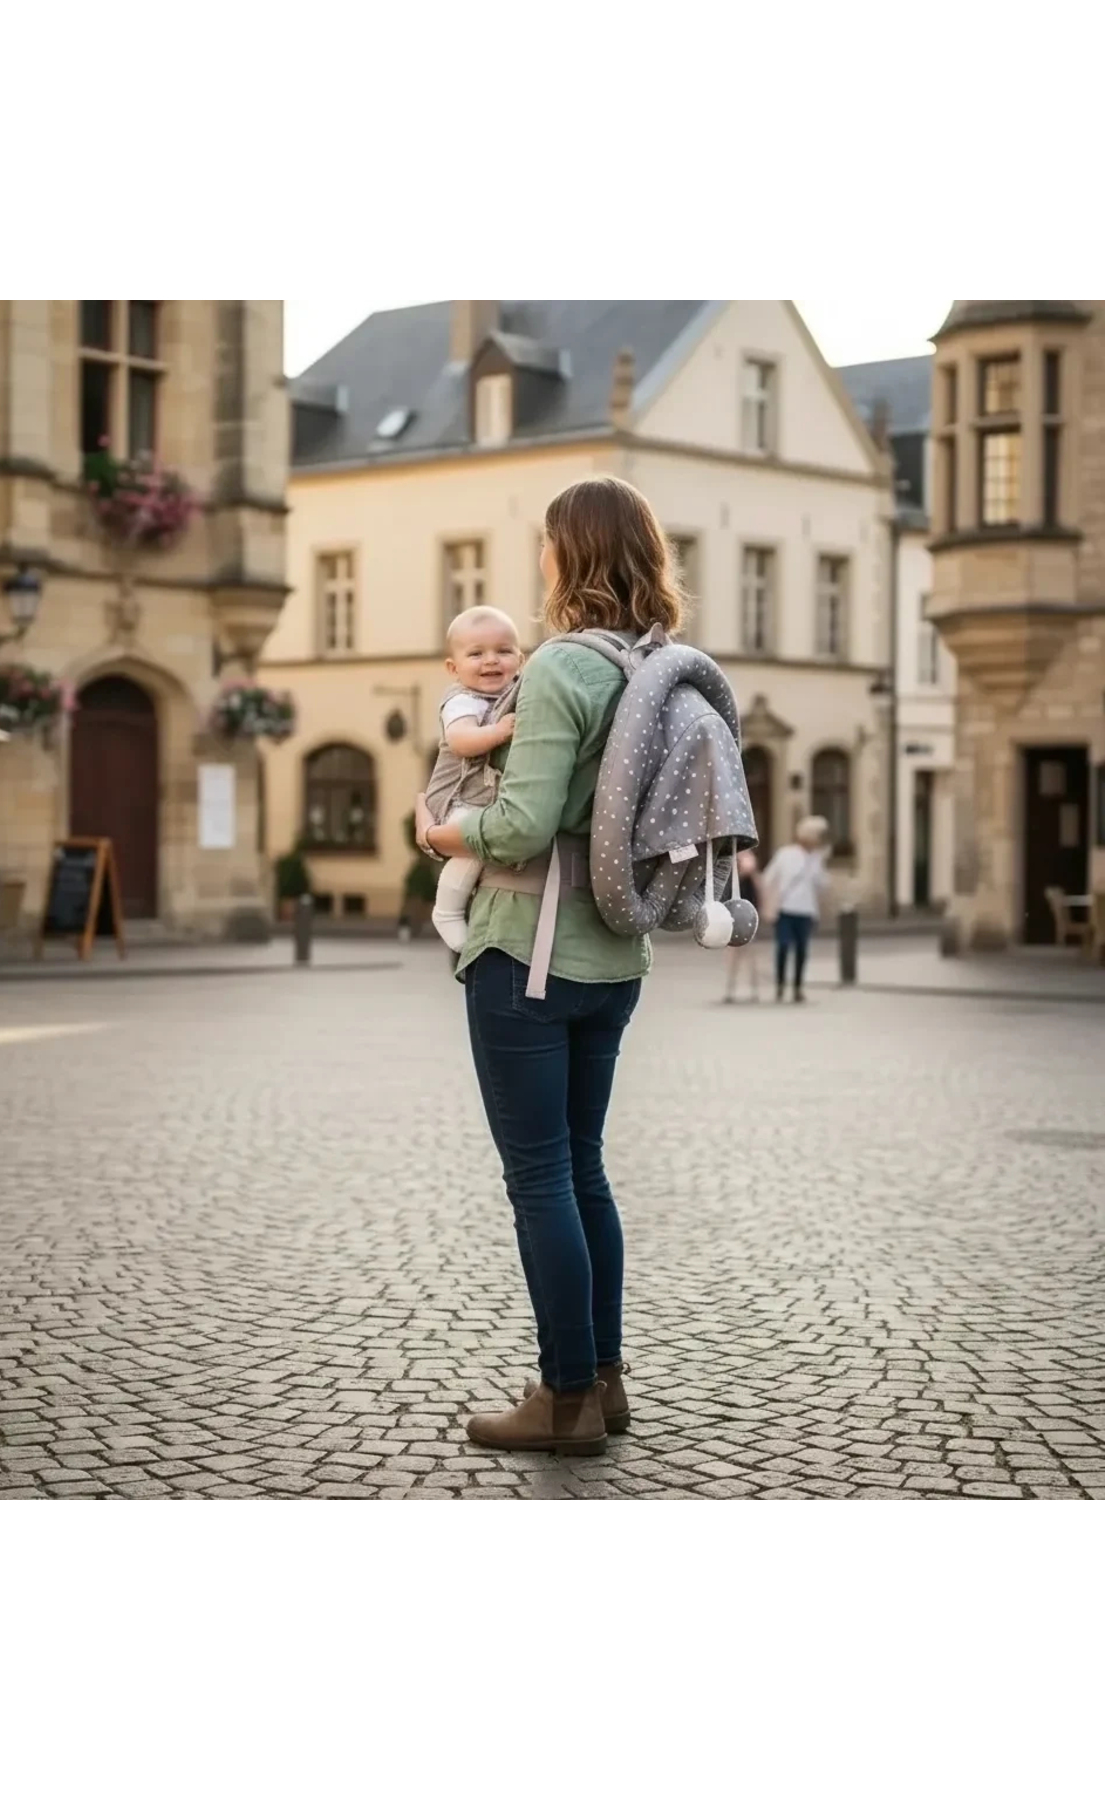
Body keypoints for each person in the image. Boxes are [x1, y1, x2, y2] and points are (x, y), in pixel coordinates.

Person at [415, 475, 683, 1456]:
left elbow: (523, 822)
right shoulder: (655, 662)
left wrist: (444, 834)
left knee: (540, 1178)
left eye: (546, 542)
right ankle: (604, 1380)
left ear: (569, 553)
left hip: (528, 952)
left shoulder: (564, 665)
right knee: (583, 1167)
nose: (540, 557)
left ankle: (564, 1398)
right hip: (616, 954)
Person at [424, 607, 521, 951]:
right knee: (473, 845)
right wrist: (499, 732)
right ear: (453, 668)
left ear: (520, 660)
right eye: (477, 654)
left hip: (484, 798)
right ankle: (447, 911)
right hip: (457, 797)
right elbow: (461, 741)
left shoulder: (514, 693)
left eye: (503, 651)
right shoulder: (463, 700)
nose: (491, 660)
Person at [764, 816, 829, 1002]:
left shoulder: (816, 858)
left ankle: (798, 987)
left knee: (802, 950)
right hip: (785, 908)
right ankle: (780, 984)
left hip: (806, 910)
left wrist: (820, 863)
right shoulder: (785, 854)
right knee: (783, 947)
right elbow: (769, 877)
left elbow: (822, 884)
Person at [723, 848, 764, 1002]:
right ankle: (730, 990)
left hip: (748, 921)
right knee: (733, 958)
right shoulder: (731, 878)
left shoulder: (750, 880)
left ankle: (754, 990)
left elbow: (758, 896)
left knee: (750, 958)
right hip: (732, 920)